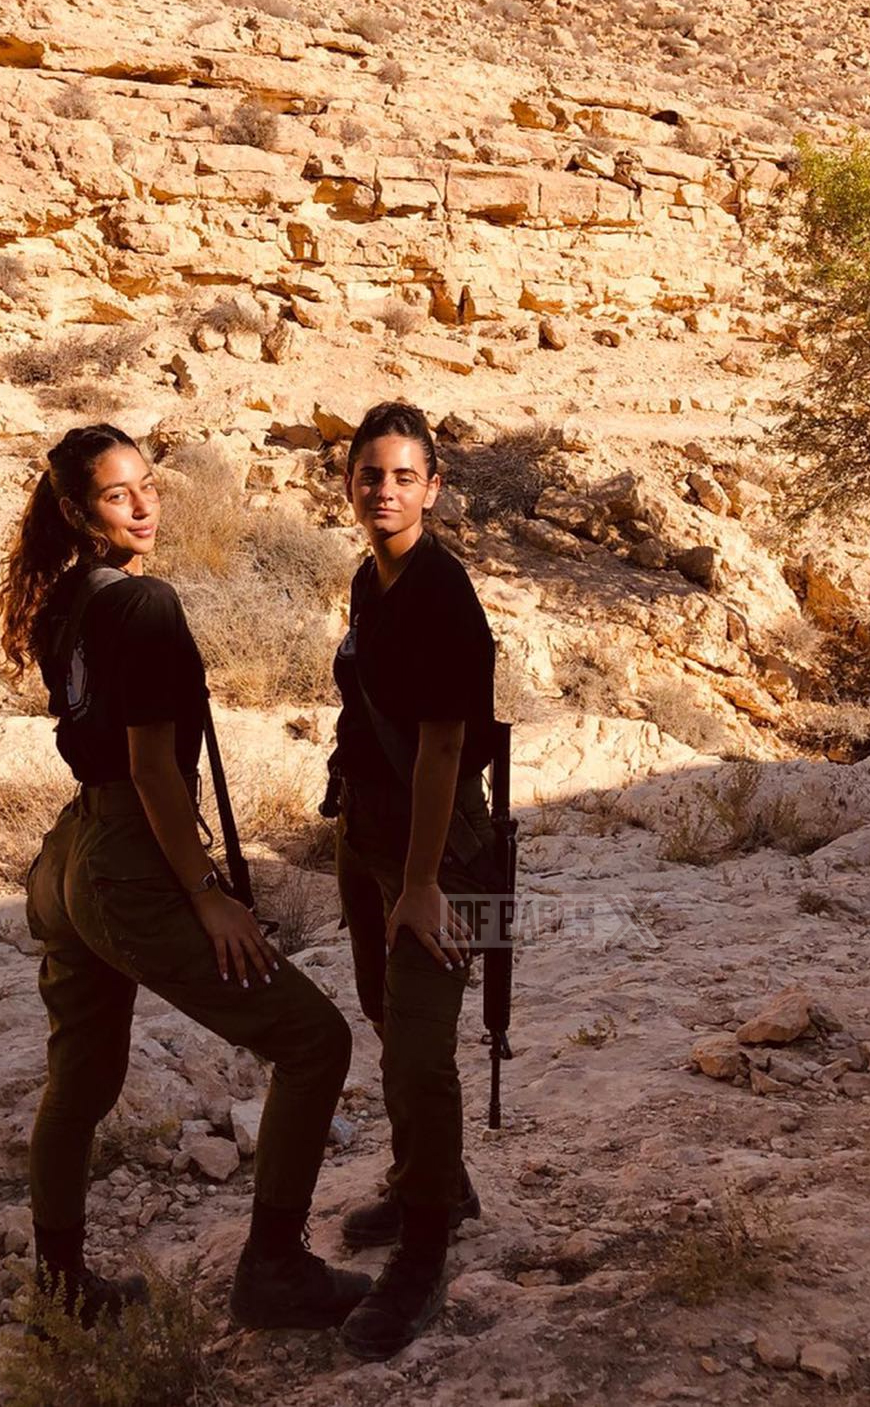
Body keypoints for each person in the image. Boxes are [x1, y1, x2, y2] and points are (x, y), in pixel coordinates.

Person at [0, 423, 370, 1332]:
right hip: (130, 858)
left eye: (147, 485)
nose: (143, 505)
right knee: (314, 1041)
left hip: (71, 852)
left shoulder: (66, 599)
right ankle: (274, 1270)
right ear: (77, 511)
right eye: (116, 494)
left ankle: (59, 1292)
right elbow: (154, 769)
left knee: (80, 1082)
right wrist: (205, 894)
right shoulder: (144, 602)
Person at [327, 402, 498, 1361]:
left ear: (432, 488)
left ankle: (424, 1250)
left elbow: (442, 748)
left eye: (402, 477)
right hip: (368, 836)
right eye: (369, 474)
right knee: (385, 1013)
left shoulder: (440, 592)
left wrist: (422, 883)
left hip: (435, 853)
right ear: (349, 482)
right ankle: (434, 1178)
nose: (383, 491)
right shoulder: (372, 577)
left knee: (420, 1048)